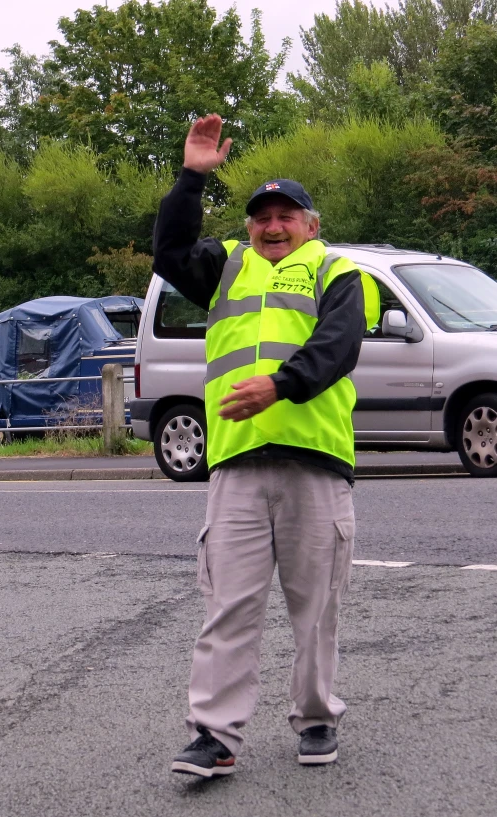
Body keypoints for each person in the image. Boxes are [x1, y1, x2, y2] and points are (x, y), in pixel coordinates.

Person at [152, 114, 379, 778]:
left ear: (312, 223)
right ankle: (215, 735)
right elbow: (168, 253)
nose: (272, 226)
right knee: (228, 604)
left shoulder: (337, 271)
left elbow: (337, 347)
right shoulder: (226, 264)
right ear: (249, 225)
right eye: (262, 217)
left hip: (315, 462)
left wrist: (280, 386)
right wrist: (191, 177)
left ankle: (315, 716)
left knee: (316, 606)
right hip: (237, 466)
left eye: (287, 215)